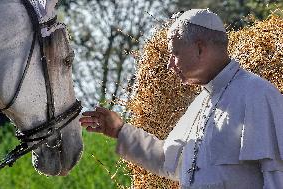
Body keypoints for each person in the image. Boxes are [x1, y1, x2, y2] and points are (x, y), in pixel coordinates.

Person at [79, 9, 283, 189]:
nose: (170, 65)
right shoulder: (201, 103)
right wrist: (119, 130)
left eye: (175, 54)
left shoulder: (256, 95)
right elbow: (168, 162)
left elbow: (277, 177)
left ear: (200, 49)